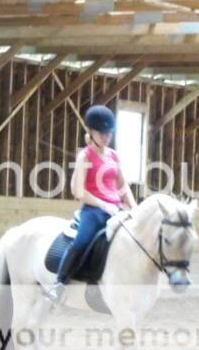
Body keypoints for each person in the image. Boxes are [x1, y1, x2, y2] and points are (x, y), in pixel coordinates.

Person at [44, 105, 137, 306]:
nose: (107, 136)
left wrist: (135, 208)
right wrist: (104, 205)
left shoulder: (114, 156)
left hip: (117, 210)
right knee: (81, 241)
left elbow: (123, 186)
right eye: (102, 132)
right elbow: (78, 191)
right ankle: (59, 283)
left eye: (109, 132)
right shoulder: (84, 157)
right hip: (93, 211)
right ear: (91, 132)